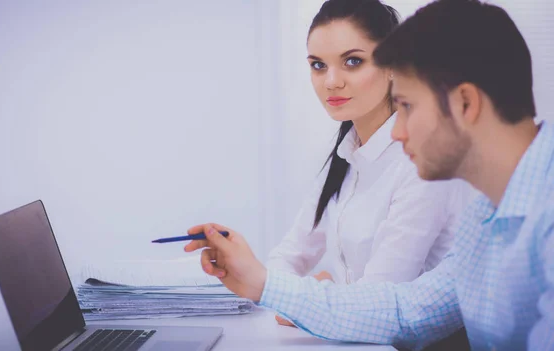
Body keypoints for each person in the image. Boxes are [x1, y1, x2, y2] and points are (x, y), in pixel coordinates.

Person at [183, 0, 554, 350]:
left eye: (407, 106)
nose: (396, 131)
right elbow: (404, 313)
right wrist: (264, 283)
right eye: (318, 65)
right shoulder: (484, 216)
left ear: (465, 104)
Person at [264, 0, 473, 326]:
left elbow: (379, 298)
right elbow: (285, 258)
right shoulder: (345, 156)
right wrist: (312, 295)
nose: (331, 81)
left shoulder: (422, 162)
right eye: (318, 65)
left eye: (352, 61)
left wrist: (315, 295)